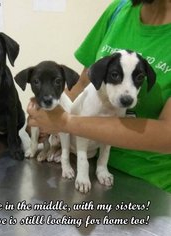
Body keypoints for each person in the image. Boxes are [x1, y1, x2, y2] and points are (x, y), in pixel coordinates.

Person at [27, 0, 171, 192]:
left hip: (148, 181)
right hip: (88, 157)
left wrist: (64, 123)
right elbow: (82, 82)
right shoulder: (118, 10)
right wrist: (48, 114)